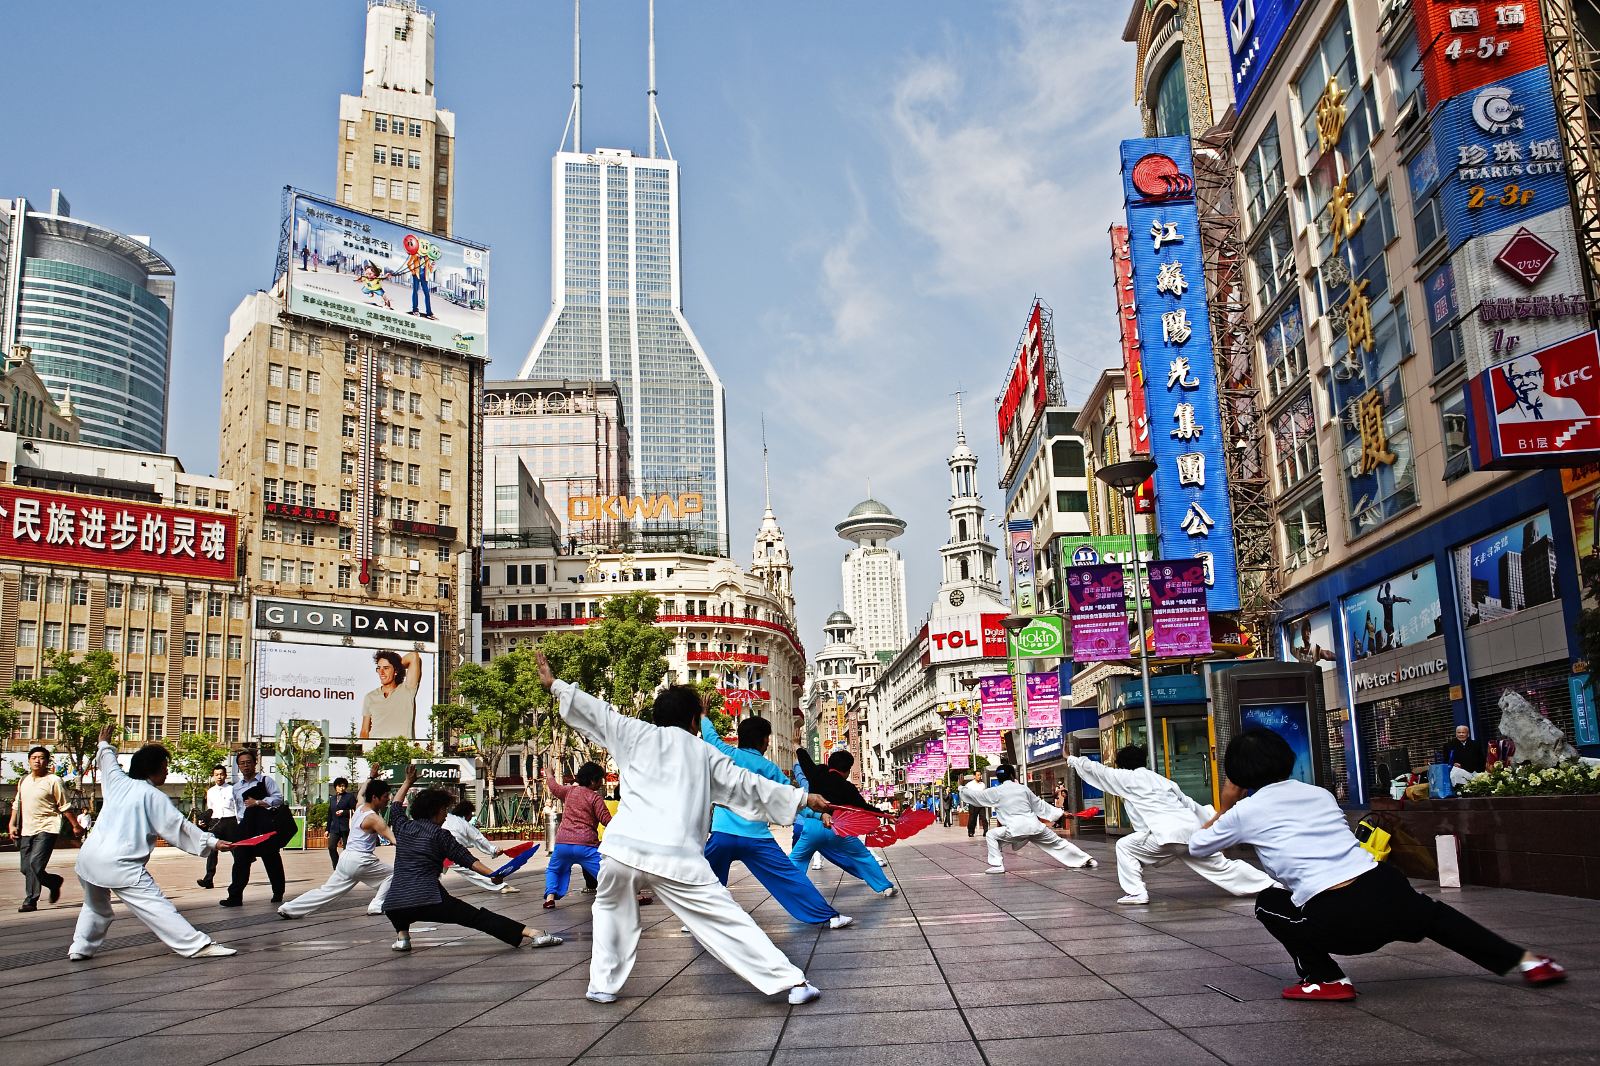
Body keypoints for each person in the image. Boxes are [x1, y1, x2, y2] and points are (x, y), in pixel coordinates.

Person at [536, 649, 831, 1006]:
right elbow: (748, 785)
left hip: (621, 851)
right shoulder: (702, 752)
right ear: (694, 721)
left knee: (611, 911)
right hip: (675, 856)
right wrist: (802, 799)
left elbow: (596, 711)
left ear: (659, 717)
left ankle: (602, 985)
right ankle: (790, 984)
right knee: (723, 921)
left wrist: (556, 686)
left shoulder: (633, 732)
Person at [1189, 729, 1566, 1001]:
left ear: (1237, 776)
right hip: (1387, 886)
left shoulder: (1247, 811)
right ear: (1285, 759)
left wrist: (1227, 803)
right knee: (1438, 918)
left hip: (1338, 916)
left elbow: (1198, 845)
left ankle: (1326, 979)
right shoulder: (1319, 793)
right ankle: (1527, 961)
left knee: (1268, 903)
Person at [70, 724, 236, 960]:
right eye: (165, 767)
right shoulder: (153, 796)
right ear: (153, 769)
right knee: (156, 906)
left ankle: (80, 948)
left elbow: (107, 760)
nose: (167, 772)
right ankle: (197, 945)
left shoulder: (116, 781)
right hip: (121, 864)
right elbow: (178, 825)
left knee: (95, 906)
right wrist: (212, 842)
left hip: (89, 860)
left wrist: (104, 743)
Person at [1067, 744, 1274, 905]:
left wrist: (1071, 759)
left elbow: (1096, 769)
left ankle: (1136, 892)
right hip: (1191, 833)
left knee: (1124, 846)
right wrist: (1210, 824)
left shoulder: (1126, 777)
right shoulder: (1163, 780)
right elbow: (1189, 804)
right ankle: (1270, 885)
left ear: (1121, 764)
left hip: (1166, 836)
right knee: (1221, 866)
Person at [699, 715, 854, 929]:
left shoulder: (725, 753)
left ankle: (695, 920)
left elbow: (710, 735)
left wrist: (703, 715)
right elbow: (794, 798)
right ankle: (828, 917)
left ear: (740, 738)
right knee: (788, 878)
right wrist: (820, 815)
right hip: (756, 838)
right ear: (764, 741)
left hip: (722, 834)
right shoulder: (770, 769)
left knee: (706, 880)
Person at [384, 777, 559, 954]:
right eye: (445, 810)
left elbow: (396, 806)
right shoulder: (440, 834)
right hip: (428, 898)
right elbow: (467, 860)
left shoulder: (402, 826)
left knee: (401, 908)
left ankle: (403, 937)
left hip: (394, 904)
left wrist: (406, 781)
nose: (446, 815)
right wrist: (492, 875)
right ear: (435, 810)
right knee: (476, 917)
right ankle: (535, 933)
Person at [279, 775, 410, 919]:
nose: (388, 799)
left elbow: (360, 793)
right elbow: (395, 840)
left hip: (346, 858)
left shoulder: (360, 807)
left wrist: (371, 777)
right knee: (394, 874)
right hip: (361, 860)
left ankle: (289, 908)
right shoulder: (374, 819)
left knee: (326, 892)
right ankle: (377, 905)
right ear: (375, 797)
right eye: (385, 796)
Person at [791, 747, 897, 898]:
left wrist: (797, 745)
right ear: (847, 770)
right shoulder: (848, 787)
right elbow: (864, 808)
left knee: (797, 858)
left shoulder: (817, 774)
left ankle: (791, 889)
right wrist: (886, 815)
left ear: (830, 764)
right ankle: (885, 887)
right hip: (838, 829)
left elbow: (805, 761)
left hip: (813, 826)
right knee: (863, 856)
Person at [960, 765, 1097, 874]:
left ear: (999, 778)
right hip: (1035, 827)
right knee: (1059, 843)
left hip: (1015, 830)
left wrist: (961, 787)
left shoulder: (995, 792)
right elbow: (1040, 805)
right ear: (1013, 775)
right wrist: (1062, 813)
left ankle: (997, 865)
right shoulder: (1023, 789)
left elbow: (974, 796)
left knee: (991, 835)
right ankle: (1087, 860)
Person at [10, 745, 79, 912]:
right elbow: (17, 803)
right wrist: (12, 823)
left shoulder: (54, 780)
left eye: (41, 758)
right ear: (29, 761)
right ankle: (53, 882)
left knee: (35, 864)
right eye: (34, 758)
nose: (37, 761)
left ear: (47, 761)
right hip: (27, 829)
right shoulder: (24, 780)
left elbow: (64, 805)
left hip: (48, 827)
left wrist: (75, 825)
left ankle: (30, 901)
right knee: (25, 868)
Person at [220, 748, 286, 907]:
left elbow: (278, 799)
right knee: (240, 862)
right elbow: (238, 809)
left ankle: (278, 892)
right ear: (238, 767)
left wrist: (258, 802)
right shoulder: (235, 788)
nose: (246, 766)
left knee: (271, 859)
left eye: (249, 762)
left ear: (255, 763)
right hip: (245, 828)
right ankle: (235, 896)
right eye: (242, 763)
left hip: (263, 826)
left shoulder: (265, 781)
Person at [543, 757, 611, 909]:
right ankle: (630, 896)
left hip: (562, 844)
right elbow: (607, 821)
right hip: (585, 845)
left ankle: (549, 898)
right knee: (606, 873)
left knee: (553, 869)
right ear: (592, 781)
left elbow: (554, 787)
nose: (602, 783)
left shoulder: (569, 791)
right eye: (600, 779)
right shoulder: (595, 798)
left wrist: (549, 774)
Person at [445, 798, 517, 894]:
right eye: (471, 814)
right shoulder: (464, 824)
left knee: (431, 869)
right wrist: (494, 850)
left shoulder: (445, 818)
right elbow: (479, 839)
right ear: (467, 814)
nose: (471, 817)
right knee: (470, 871)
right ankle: (501, 885)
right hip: (452, 854)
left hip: (438, 851)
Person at [360, 650, 423, 739]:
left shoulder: (407, 689)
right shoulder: (370, 697)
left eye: (386, 668)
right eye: (379, 668)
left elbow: (413, 656)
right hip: (376, 750)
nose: (381, 672)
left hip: (402, 749)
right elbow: (364, 731)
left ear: (395, 670)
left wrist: (396, 665)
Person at [197, 765, 237, 889]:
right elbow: (210, 809)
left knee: (235, 850)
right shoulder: (210, 791)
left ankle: (237, 879)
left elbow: (237, 807)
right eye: (216, 774)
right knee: (212, 849)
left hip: (231, 820)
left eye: (221, 774)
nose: (219, 777)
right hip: (216, 822)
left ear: (225, 775)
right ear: (213, 776)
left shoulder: (232, 789)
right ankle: (208, 879)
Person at [326, 777, 357, 869]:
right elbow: (330, 814)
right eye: (340, 786)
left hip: (346, 826)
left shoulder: (349, 797)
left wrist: (344, 812)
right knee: (331, 847)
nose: (342, 788)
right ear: (336, 787)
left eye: (344, 786)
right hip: (334, 827)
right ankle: (336, 866)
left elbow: (355, 810)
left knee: (346, 849)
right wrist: (327, 829)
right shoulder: (332, 799)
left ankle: (347, 867)